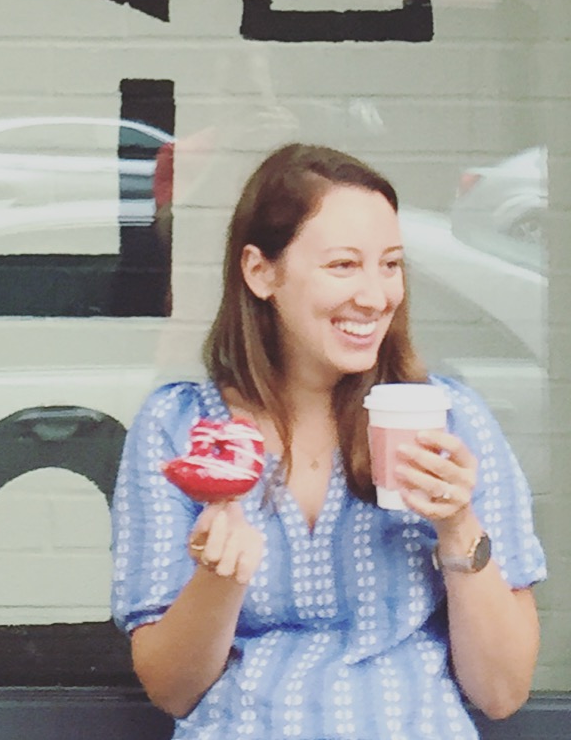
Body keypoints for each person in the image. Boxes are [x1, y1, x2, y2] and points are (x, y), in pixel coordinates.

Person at [111, 143, 545, 739]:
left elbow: (501, 692)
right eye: (344, 266)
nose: (375, 296)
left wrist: (458, 526)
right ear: (261, 271)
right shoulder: (182, 429)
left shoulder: (450, 422)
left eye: (390, 264)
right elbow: (171, 688)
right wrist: (220, 579)